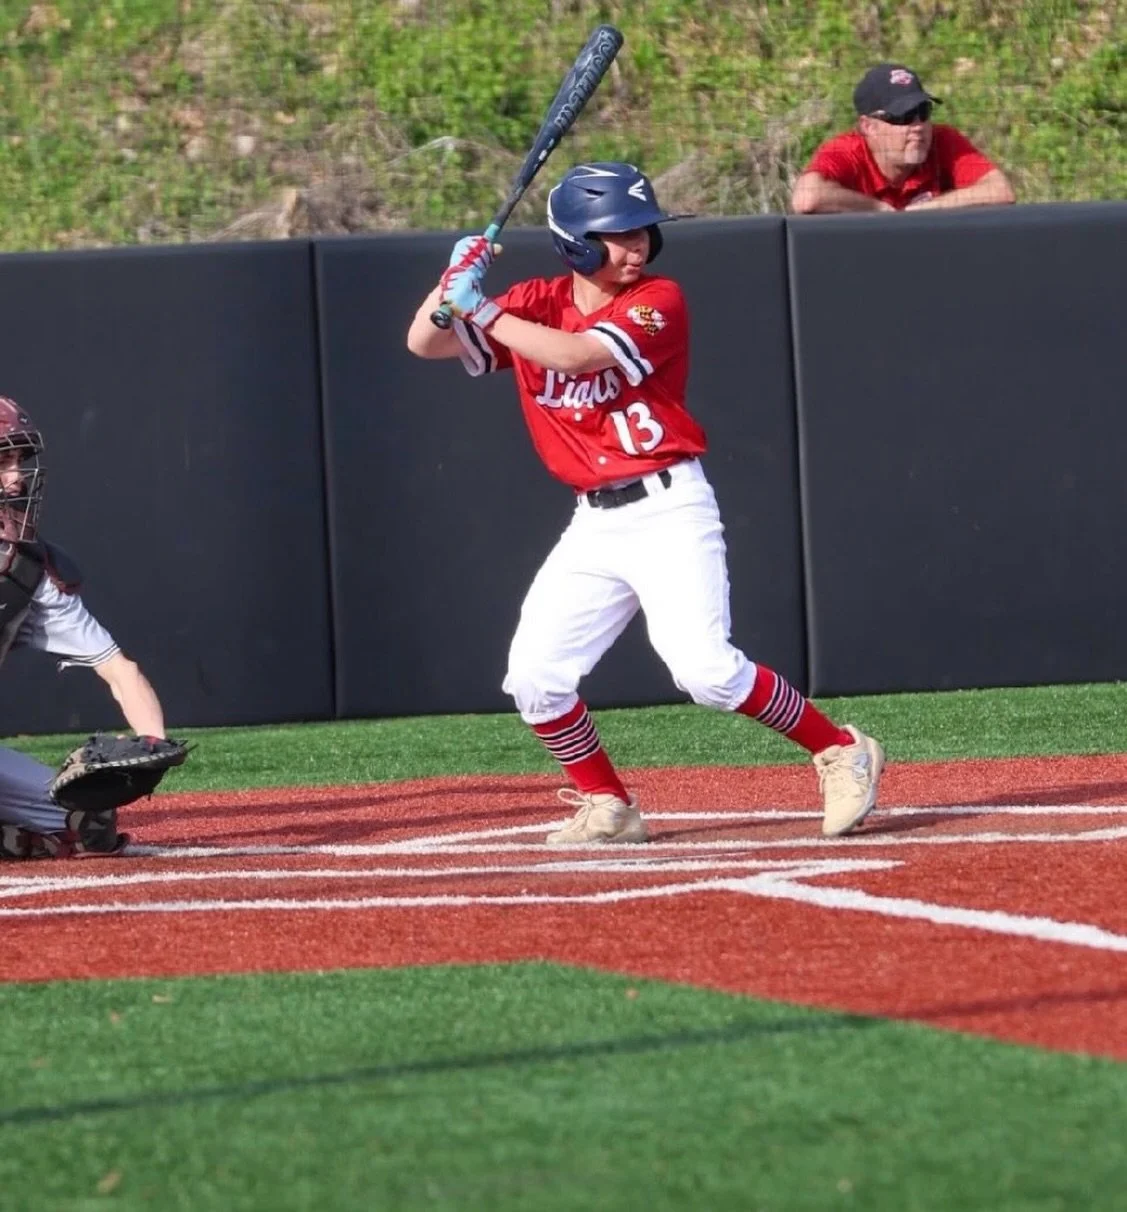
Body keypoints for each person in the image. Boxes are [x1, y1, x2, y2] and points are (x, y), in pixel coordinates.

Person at [407, 162, 885, 844]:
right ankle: (610, 805)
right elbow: (424, 341)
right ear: (574, 243)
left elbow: (574, 356)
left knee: (704, 671)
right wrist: (447, 286)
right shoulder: (537, 300)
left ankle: (839, 748)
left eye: (641, 234)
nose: (636, 249)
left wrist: (480, 307)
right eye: (616, 237)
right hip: (593, 522)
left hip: (667, 509)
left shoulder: (658, 298)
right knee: (534, 679)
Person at [0, 396, 177, 860]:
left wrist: (152, 746)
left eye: (19, 459)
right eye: (2, 460)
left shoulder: (24, 571)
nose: (16, 478)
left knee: (80, 818)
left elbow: (119, 670)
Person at [791, 62, 1016, 214]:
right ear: (868, 126)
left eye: (923, 112)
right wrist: (880, 209)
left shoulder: (943, 140)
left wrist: (925, 209)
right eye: (904, 116)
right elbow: (806, 198)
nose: (918, 126)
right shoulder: (846, 151)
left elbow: (1001, 191)